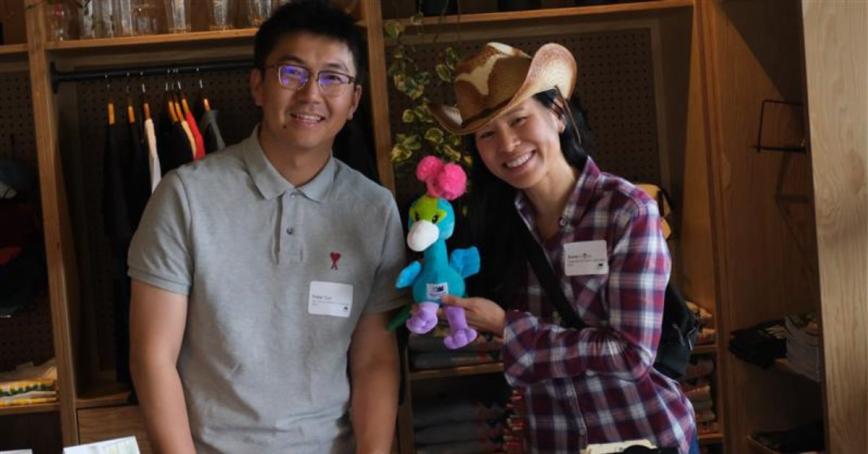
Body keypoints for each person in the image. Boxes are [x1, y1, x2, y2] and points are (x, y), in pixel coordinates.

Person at [127, 2, 405, 452]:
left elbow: (374, 359)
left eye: (333, 77)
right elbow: (153, 357)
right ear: (258, 85)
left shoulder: (374, 210)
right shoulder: (185, 197)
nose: (312, 94)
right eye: (291, 73)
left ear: (353, 101)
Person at [430, 42, 699, 453]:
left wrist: (509, 328)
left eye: (519, 120)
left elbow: (630, 354)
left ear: (557, 114)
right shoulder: (499, 225)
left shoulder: (627, 211)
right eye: (487, 133)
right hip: (554, 440)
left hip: (644, 437)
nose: (507, 145)